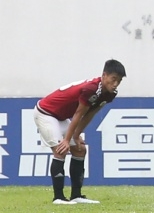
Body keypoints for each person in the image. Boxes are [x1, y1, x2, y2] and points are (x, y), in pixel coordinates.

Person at [34, 59, 127, 204]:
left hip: (60, 117)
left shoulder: (109, 93)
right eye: (113, 79)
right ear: (104, 75)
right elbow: (78, 113)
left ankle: (76, 195)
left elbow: (90, 114)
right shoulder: (91, 89)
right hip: (46, 113)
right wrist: (66, 140)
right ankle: (58, 197)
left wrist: (75, 136)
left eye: (119, 81)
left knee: (80, 149)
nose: (115, 84)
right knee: (61, 149)